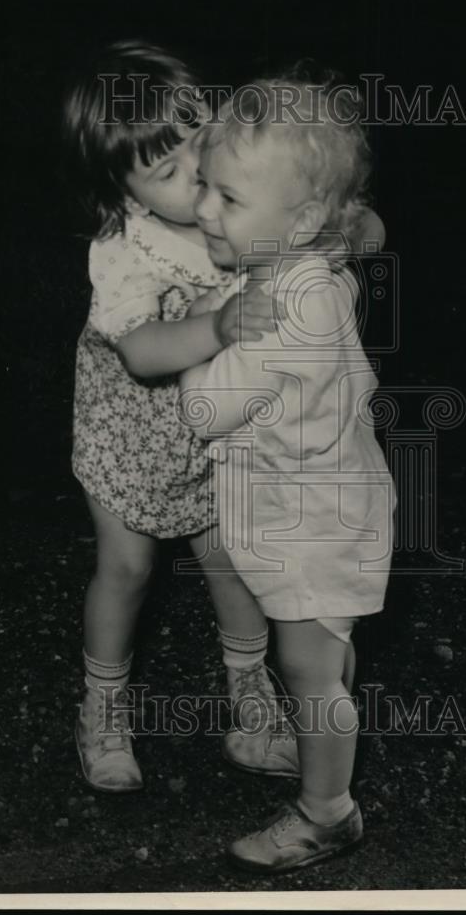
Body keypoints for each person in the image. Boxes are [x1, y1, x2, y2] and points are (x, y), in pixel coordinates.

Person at [63, 41, 299, 794]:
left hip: (214, 425)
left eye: (199, 141)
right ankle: (102, 708)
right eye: (165, 170)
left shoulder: (234, 208)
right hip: (128, 432)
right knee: (128, 567)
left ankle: (249, 702)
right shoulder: (125, 249)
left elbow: (308, 237)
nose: (195, 171)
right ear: (124, 191)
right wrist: (217, 326)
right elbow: (139, 351)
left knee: (230, 557)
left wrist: (346, 230)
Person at [180, 75, 395, 871]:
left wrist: (200, 344)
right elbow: (360, 229)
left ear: (299, 218)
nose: (203, 210)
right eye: (202, 185)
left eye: (227, 199)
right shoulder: (309, 261)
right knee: (325, 656)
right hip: (334, 505)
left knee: (308, 673)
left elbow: (203, 409)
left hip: (308, 525)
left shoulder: (283, 316)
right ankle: (322, 762)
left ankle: (325, 813)